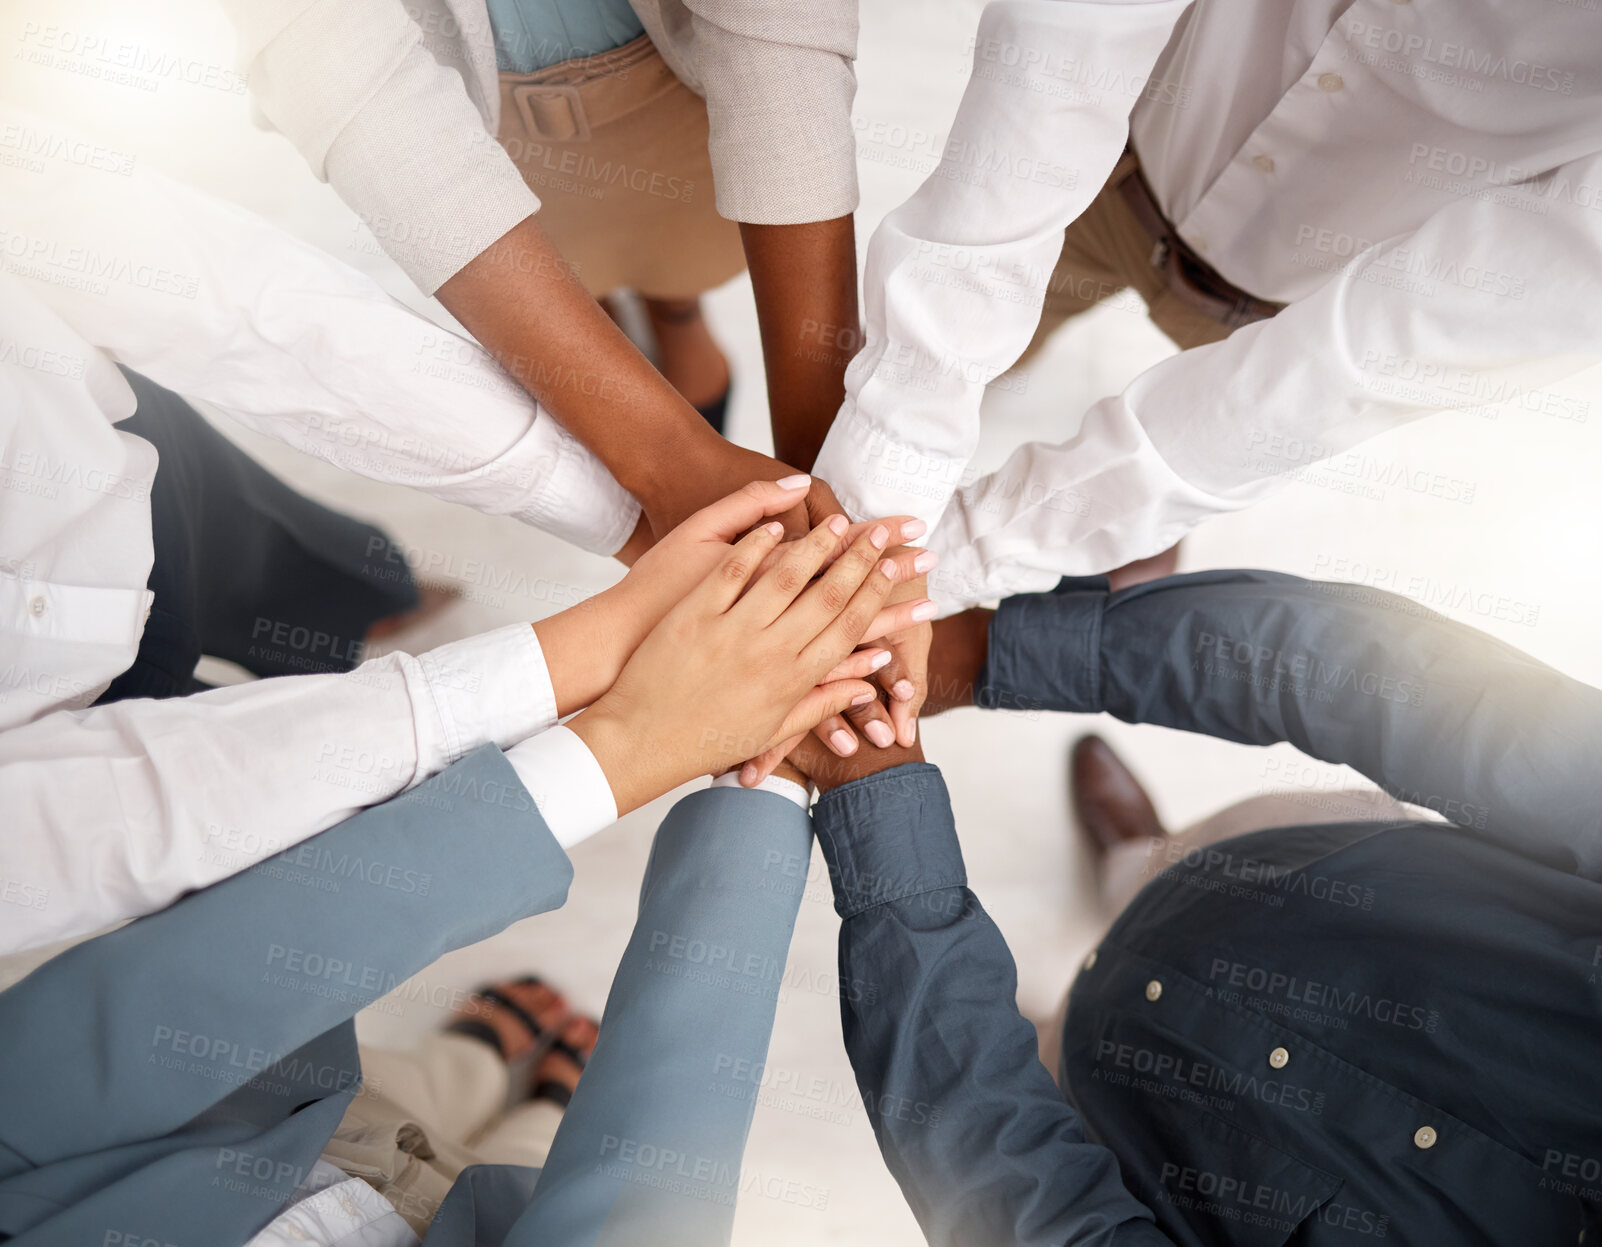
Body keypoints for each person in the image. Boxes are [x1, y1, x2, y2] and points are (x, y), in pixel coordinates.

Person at [0, 490, 908, 1245]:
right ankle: (528, 1096)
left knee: (417, 1089)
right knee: (529, 1152)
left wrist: (626, 738)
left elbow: (111, 1043)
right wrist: (762, 774)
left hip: (254, 1121)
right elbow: (636, 1206)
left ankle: (480, 1065)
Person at [787, 569, 1602, 1243]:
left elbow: (1049, 1218)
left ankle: (1028, 1030)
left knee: (1026, 1066)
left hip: (1130, 1126)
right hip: (1294, 872)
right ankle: (1133, 861)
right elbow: (1436, 699)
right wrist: (989, 651)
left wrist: (878, 800)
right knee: (1169, 868)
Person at [808, 0, 1602, 614]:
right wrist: (902, 444)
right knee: (994, 348)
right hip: (1110, 175)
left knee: (1190, 467)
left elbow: (1355, 362)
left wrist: (977, 548)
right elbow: (1069, 41)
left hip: (1295, 308)